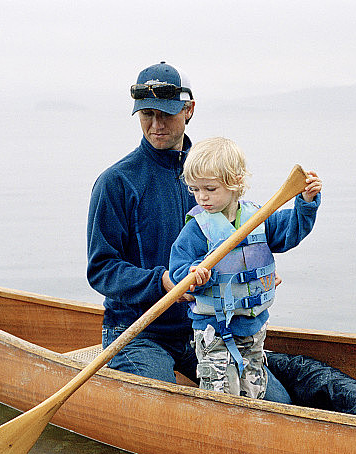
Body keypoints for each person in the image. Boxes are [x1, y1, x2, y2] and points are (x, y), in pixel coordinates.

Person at [86, 62, 291, 403]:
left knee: (277, 404)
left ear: (189, 109)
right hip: (137, 331)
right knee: (163, 405)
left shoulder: (209, 178)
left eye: (165, 114)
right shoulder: (116, 183)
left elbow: (237, 235)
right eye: (146, 114)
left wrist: (248, 268)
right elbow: (101, 270)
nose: (155, 125)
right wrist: (163, 282)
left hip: (206, 325)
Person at [169, 137, 321, 398]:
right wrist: (194, 274)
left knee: (254, 392)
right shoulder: (197, 228)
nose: (201, 196)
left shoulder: (258, 218)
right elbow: (178, 268)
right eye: (195, 189)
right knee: (220, 395)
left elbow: (291, 231)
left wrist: (305, 203)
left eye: (210, 188)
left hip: (254, 329)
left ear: (235, 183)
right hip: (213, 332)